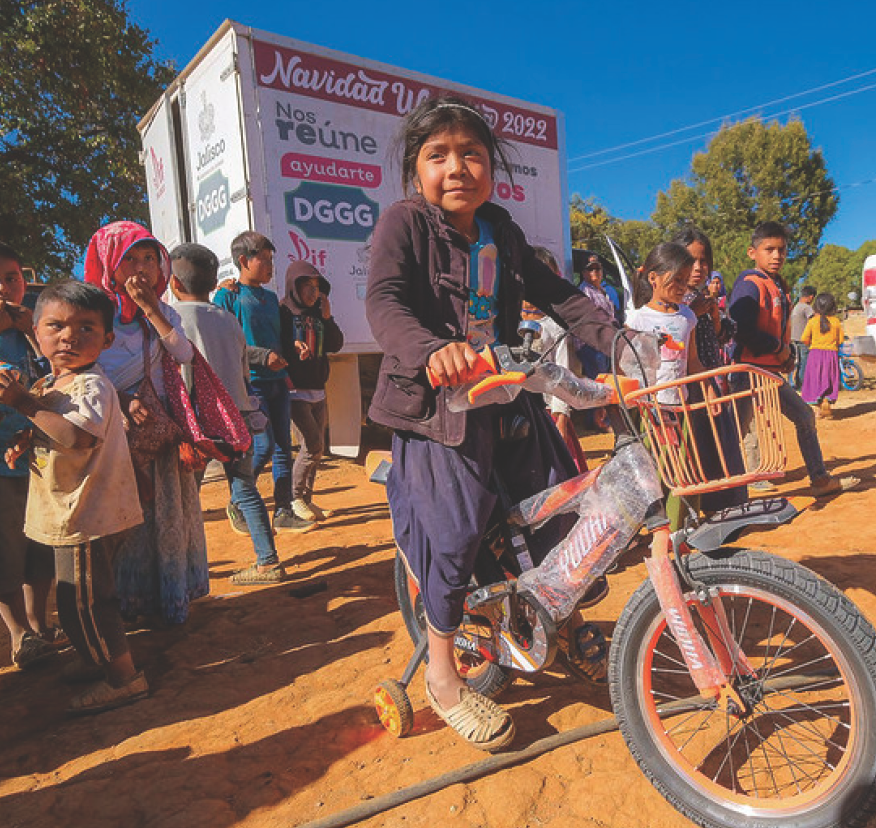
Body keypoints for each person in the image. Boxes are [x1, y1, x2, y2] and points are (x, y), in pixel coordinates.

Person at [366, 94, 620, 751]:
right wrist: (432, 349)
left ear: (492, 168)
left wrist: (621, 349)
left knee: (557, 517)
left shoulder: (500, 230)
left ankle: (558, 630)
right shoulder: (405, 224)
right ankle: (445, 678)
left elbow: (559, 295)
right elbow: (386, 301)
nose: (457, 167)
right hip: (437, 413)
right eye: (438, 155)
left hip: (508, 395)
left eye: (471, 153)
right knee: (455, 537)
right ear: (417, 171)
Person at [0, 281, 148, 713]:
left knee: (83, 603)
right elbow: (55, 429)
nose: (69, 336)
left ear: (106, 339)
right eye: (57, 326)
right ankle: (94, 658)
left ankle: (123, 678)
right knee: (78, 599)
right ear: (38, 333)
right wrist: (29, 438)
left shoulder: (93, 387)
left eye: (86, 328)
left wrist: (23, 404)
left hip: (88, 514)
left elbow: (79, 437)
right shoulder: (54, 381)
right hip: (72, 510)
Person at [84, 221, 209, 624]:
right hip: (114, 437)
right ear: (108, 265)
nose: (141, 268)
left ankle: (170, 598)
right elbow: (82, 368)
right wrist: (118, 400)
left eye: (149, 259)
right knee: (127, 520)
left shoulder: (165, 311)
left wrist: (153, 311)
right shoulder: (93, 313)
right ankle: (127, 605)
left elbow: (185, 355)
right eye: (129, 259)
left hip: (160, 434)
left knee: (167, 516)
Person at [169, 243, 287, 584]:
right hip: (235, 416)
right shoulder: (228, 319)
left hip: (195, 422)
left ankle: (187, 573)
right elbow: (242, 372)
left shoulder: (172, 318)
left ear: (174, 283)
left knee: (187, 496)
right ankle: (268, 562)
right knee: (245, 488)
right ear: (212, 283)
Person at [729, 221, 859, 497]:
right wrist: (779, 348)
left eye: (782, 250)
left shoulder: (777, 285)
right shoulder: (749, 285)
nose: (777, 255)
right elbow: (742, 329)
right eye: (769, 249)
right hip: (746, 372)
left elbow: (775, 327)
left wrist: (783, 357)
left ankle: (819, 478)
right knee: (734, 433)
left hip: (769, 373)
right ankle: (715, 494)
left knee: (803, 415)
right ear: (753, 252)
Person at [213, 232, 315, 534]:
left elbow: (281, 337)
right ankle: (238, 500)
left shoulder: (271, 299)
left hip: (277, 383)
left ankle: (283, 510)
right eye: (265, 260)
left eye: (272, 260)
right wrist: (262, 358)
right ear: (244, 261)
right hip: (249, 384)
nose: (271, 266)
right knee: (264, 445)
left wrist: (294, 345)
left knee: (284, 446)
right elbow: (228, 343)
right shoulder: (227, 297)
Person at [0, 242, 57, 668]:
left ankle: (40, 623)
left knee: (42, 546)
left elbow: (58, 373)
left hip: (41, 457)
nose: (4, 287)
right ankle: (19, 632)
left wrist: (31, 330)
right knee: (6, 551)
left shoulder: (36, 327)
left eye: (12, 278)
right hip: (2, 464)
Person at [625, 243, 705, 530]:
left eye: (686, 280)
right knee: (647, 471)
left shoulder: (687, 317)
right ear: (653, 278)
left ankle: (677, 530)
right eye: (677, 280)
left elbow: (692, 361)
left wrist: (709, 389)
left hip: (679, 406)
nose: (683, 287)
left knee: (681, 468)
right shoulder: (636, 319)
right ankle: (638, 530)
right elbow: (628, 366)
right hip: (648, 410)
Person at [672, 228, 747, 512]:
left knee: (719, 447)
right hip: (684, 389)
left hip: (710, 384)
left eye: (704, 261)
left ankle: (725, 507)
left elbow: (724, 336)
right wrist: (694, 312)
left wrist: (713, 315)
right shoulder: (674, 301)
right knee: (695, 450)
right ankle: (692, 513)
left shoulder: (705, 297)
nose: (699, 268)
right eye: (691, 260)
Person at [280, 261, 344, 523]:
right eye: (307, 286)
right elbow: (275, 343)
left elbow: (336, 344)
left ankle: (307, 499)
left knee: (317, 449)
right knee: (312, 444)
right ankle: (295, 499)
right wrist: (291, 347)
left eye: (316, 287)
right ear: (295, 286)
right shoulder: (283, 311)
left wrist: (327, 318)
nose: (313, 292)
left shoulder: (319, 312)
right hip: (295, 391)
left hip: (318, 388)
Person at [801, 292, 844, 419]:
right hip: (831, 355)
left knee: (815, 379)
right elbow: (840, 340)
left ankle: (817, 409)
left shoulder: (813, 322)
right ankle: (826, 399)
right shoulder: (836, 322)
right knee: (829, 377)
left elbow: (804, 338)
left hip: (815, 354)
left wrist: (811, 345)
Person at [789, 285, 817, 389]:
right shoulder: (806, 307)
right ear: (811, 297)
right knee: (805, 363)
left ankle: (798, 383)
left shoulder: (797, 306)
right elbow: (814, 321)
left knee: (799, 363)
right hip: (803, 339)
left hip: (794, 338)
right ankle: (803, 385)